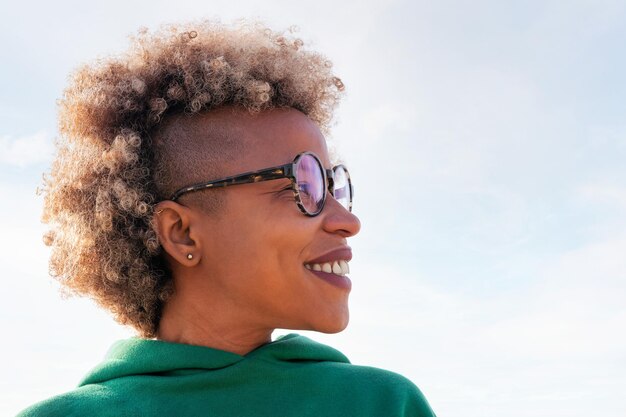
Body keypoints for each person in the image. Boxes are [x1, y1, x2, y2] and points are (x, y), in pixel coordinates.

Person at [18, 20, 436, 417]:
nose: (347, 220)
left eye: (333, 184)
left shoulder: (381, 404)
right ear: (182, 234)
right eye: (305, 185)